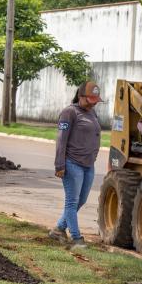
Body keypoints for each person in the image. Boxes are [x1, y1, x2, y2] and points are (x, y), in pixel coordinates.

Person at [49, 81, 103, 253]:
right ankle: (76, 238)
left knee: (81, 200)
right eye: (90, 99)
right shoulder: (69, 112)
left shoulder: (92, 113)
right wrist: (60, 164)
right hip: (72, 163)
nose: (93, 102)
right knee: (72, 202)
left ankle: (58, 229)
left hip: (89, 164)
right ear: (80, 97)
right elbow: (61, 140)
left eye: (96, 99)